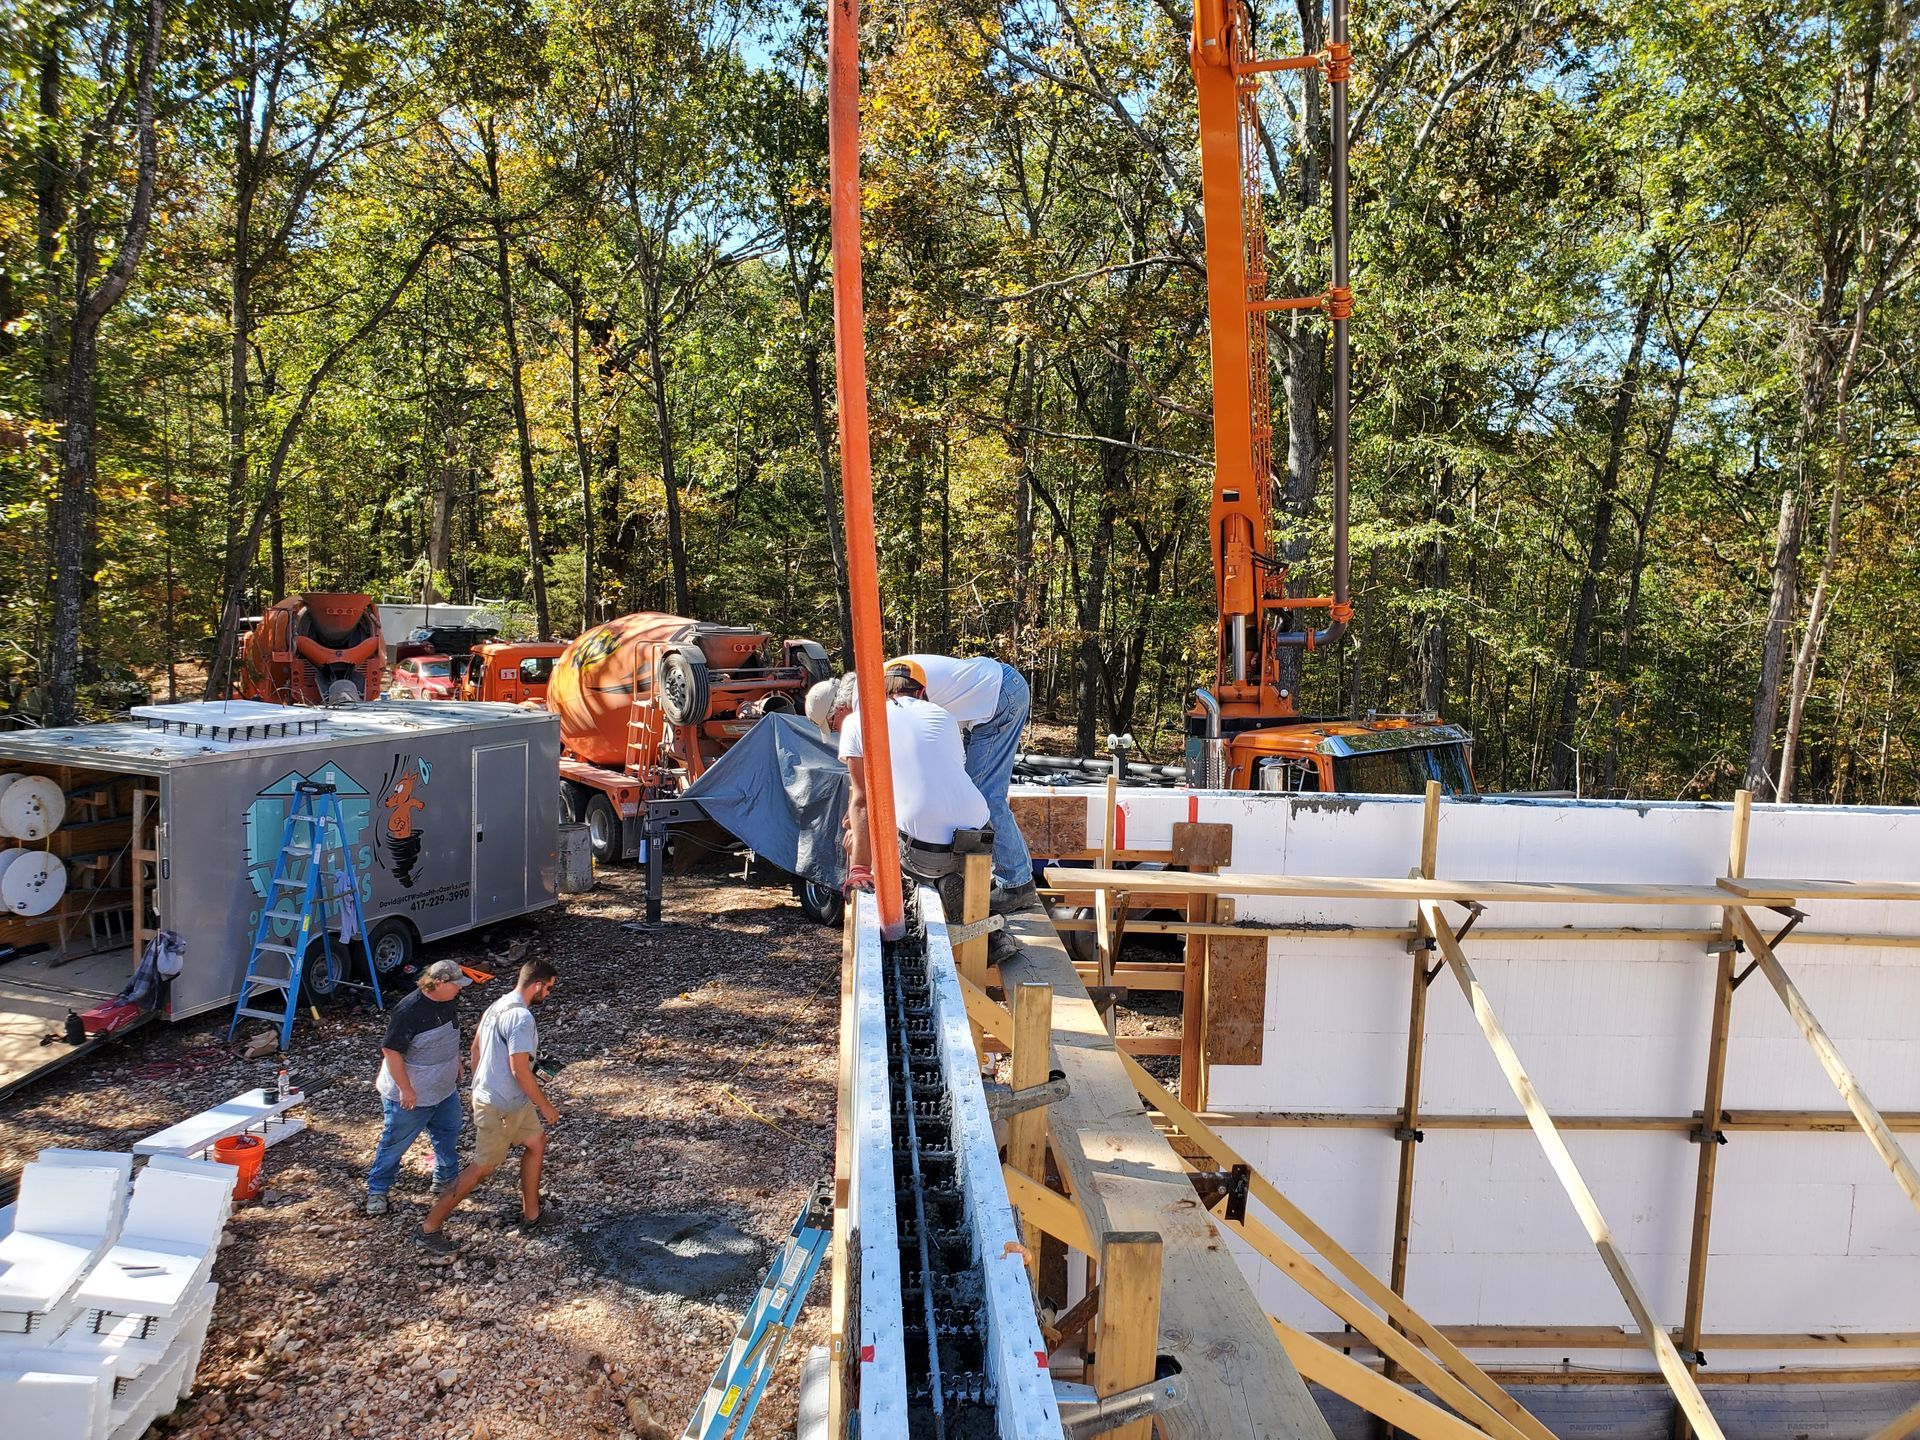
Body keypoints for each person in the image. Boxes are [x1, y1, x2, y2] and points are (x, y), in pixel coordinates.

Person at [808, 654, 1037, 911]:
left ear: (839, 710)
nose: (839, 733)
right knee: (967, 794)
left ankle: (1017, 884)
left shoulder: (866, 703)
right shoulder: (877, 684)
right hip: (993, 694)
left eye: (834, 727)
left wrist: (859, 843)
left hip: (999, 697)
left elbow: (871, 787)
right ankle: (981, 880)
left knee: (985, 794)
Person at [414, 958, 560, 1253]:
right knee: (482, 1168)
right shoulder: (521, 1018)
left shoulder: (498, 1005)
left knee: (536, 1142)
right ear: (536, 985)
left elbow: (476, 1048)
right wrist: (545, 1105)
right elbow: (519, 1069)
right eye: (548, 988)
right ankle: (429, 1228)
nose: (549, 994)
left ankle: (532, 1215)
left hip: (508, 1100)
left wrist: (480, 1083)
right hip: (500, 1105)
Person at [365, 959, 470, 1217]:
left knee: (449, 1131)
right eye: (455, 985)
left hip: (443, 1088)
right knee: (395, 1143)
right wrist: (406, 1089)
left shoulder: (448, 1001)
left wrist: (455, 1060)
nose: (460, 989)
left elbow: (451, 1032)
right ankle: (377, 1189)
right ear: (438, 983)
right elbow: (391, 1051)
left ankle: (445, 1178)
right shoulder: (408, 1010)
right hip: (412, 1092)